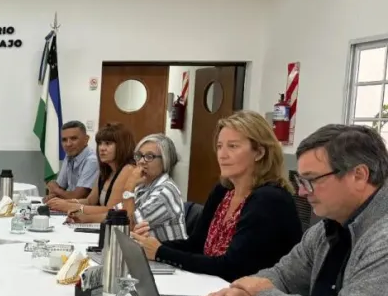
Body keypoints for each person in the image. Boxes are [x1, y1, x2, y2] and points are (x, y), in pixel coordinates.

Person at [200, 125, 388, 296]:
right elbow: (283, 275)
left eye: (311, 180)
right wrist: (245, 289)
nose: (302, 192)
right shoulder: (327, 228)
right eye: (301, 181)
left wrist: (264, 295)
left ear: (359, 175)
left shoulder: (383, 237)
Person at [129, 111, 301, 282]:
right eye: (219, 146)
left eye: (232, 146)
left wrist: (160, 252)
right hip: (214, 287)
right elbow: (196, 245)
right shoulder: (223, 190)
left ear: (259, 153)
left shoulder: (270, 199)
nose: (222, 155)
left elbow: (232, 267)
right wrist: (148, 245)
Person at [49, 122, 135, 223]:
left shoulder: (128, 169)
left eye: (108, 144)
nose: (102, 148)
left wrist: (72, 207)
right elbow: (90, 201)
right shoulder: (107, 169)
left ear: (122, 145)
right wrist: (63, 202)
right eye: (100, 143)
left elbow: (110, 210)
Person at [123, 134, 187, 242]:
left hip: (165, 257)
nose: (141, 161)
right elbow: (117, 214)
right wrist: (85, 217)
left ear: (165, 161)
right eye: (139, 155)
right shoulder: (143, 185)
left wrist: (129, 186)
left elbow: (126, 226)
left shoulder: (165, 192)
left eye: (149, 156)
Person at [44, 121, 100, 201]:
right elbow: (60, 186)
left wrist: (55, 189)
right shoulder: (69, 155)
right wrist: (53, 195)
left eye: (73, 138)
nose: (68, 144)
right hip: (69, 205)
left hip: (85, 210)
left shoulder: (92, 161)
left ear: (86, 139)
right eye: (64, 140)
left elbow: (77, 196)